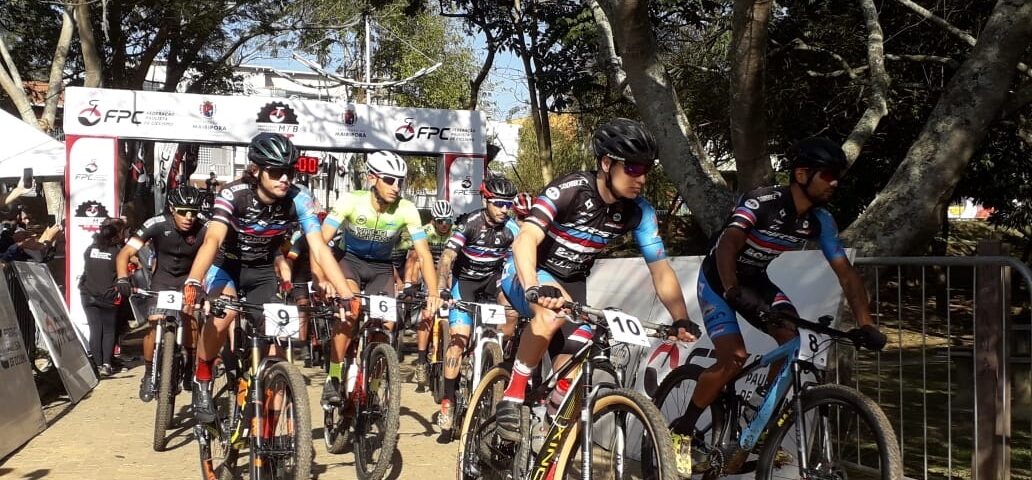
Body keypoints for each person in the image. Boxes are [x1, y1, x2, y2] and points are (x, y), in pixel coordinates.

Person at [669, 137, 888, 474]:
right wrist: (731, 289)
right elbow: (728, 244)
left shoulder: (821, 221)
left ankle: (757, 413)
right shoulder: (764, 201)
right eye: (828, 174)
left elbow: (847, 275)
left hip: (755, 279)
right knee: (734, 358)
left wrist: (867, 323)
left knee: (792, 339)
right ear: (802, 173)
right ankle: (682, 429)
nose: (835, 182)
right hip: (718, 278)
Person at [494, 118, 698, 441]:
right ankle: (513, 394)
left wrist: (681, 318)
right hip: (527, 271)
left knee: (583, 350)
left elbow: (660, 269)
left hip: (572, 282)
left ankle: (546, 432)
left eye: (646, 169)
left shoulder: (639, 212)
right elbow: (525, 239)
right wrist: (533, 286)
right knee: (551, 313)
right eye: (632, 168)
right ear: (607, 163)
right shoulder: (570, 190)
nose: (642, 179)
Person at [183, 132, 356, 424]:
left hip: (263, 271)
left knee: (277, 343)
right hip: (229, 266)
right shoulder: (233, 194)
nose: (285, 178)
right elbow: (212, 240)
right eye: (276, 172)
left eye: (289, 171)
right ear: (256, 170)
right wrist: (193, 281)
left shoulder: (300, 198)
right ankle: (202, 379)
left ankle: (268, 427)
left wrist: (345, 294)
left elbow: (318, 246)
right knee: (222, 316)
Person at [319, 151, 443, 407]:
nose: (396, 187)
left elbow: (423, 253)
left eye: (401, 181)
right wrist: (324, 279)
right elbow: (321, 241)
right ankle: (333, 377)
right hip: (349, 262)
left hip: (381, 268)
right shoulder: (351, 201)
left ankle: (373, 386)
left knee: (386, 324)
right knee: (351, 312)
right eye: (390, 180)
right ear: (372, 178)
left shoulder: (407, 209)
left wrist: (433, 292)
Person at [433, 177, 519, 442]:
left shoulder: (512, 229)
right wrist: (442, 288)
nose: (504, 209)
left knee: (511, 313)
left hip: (491, 283)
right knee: (458, 341)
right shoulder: (469, 223)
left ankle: (498, 359)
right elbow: (447, 257)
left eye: (508, 204)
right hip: (465, 284)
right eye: (498, 203)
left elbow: (523, 257)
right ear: (485, 200)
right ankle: (448, 401)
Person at [115, 185, 207, 401]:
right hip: (162, 280)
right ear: (173, 209)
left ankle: (188, 364)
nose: (189, 217)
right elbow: (125, 254)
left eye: (193, 212)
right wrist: (122, 278)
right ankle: (148, 373)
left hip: (188, 280)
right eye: (183, 211)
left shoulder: (204, 227)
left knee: (190, 318)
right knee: (155, 322)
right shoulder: (156, 223)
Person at [411, 199, 456, 389]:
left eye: (447, 220)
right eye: (440, 221)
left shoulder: (456, 232)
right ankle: (421, 360)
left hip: (449, 274)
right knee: (427, 315)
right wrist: (411, 283)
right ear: (433, 220)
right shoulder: (425, 232)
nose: (444, 224)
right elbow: (415, 259)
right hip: (428, 274)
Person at [79, 218, 126, 377]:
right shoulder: (118, 253)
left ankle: (97, 365)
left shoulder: (89, 249)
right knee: (108, 331)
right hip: (109, 297)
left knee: (95, 329)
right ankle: (106, 364)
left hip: (88, 294)